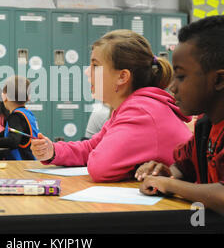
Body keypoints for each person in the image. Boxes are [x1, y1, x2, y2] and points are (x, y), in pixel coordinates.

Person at [135, 16, 224, 233]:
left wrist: (170, 185)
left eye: (181, 76)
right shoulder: (209, 123)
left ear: (219, 80)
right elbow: (183, 167)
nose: (172, 87)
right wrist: (165, 173)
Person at [31, 29, 192, 182]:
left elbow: (100, 167)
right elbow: (92, 147)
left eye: (95, 66)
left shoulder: (141, 111)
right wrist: (52, 151)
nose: (87, 72)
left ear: (122, 77)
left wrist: (129, 167)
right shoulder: (131, 107)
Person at [0, 76, 39, 160]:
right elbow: (3, 135)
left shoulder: (16, 116)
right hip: (31, 162)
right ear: (28, 98)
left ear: (4, 97)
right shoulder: (27, 113)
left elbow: (13, 141)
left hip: (21, 166)